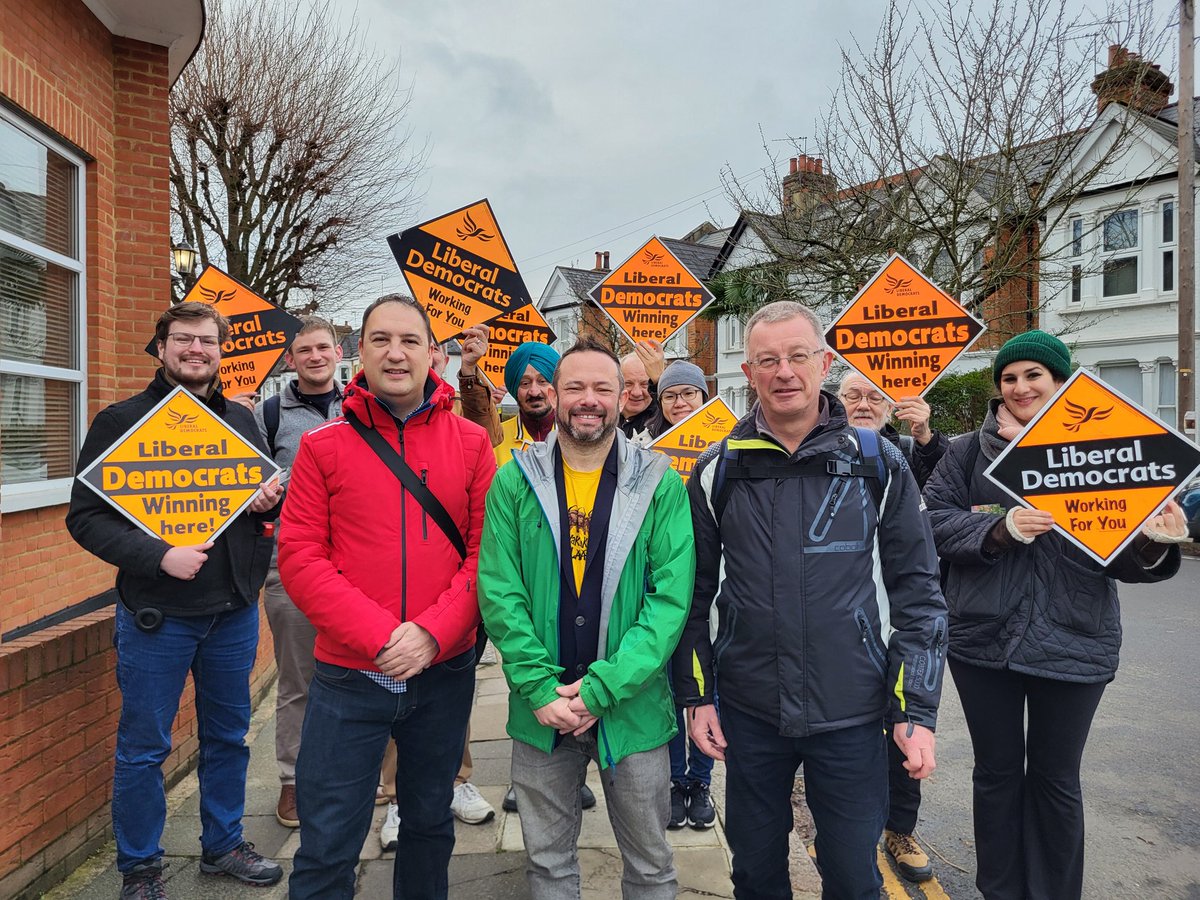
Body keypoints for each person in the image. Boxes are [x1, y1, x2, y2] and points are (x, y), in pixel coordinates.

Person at [673, 300, 947, 900]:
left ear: (824, 362)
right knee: (755, 875)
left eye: (798, 356)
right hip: (750, 712)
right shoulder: (718, 470)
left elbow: (919, 595)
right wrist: (697, 698)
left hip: (851, 713)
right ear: (748, 373)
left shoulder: (878, 463)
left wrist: (915, 711)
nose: (784, 372)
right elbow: (690, 601)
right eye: (768, 360)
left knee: (853, 878)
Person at [924, 330, 1187, 900]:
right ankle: (1000, 890)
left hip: (1074, 640)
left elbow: (1124, 562)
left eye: (1033, 376)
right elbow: (932, 523)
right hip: (982, 641)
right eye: (1009, 378)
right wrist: (998, 529)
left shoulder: (1106, 452)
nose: (1019, 387)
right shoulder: (968, 451)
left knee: (1055, 779)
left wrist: (1154, 542)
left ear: (1061, 382)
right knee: (995, 776)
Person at [279, 295, 496, 899]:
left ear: (434, 353)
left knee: (429, 828)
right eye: (380, 339)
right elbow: (300, 557)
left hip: (443, 670)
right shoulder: (322, 447)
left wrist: (431, 632)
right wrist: (380, 635)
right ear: (361, 352)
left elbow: (487, 557)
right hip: (350, 675)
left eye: (409, 340)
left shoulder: (474, 444)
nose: (395, 353)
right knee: (326, 843)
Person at [66, 301, 284, 899]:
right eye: (184, 339)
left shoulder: (240, 424)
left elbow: (256, 518)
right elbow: (84, 519)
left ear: (221, 351)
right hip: (155, 618)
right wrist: (158, 555)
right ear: (161, 348)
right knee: (144, 749)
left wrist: (267, 508)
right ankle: (139, 870)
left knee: (228, 738)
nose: (196, 349)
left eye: (207, 341)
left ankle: (223, 845)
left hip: (232, 615)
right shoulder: (120, 421)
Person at [478, 337, 696, 900]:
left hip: (634, 708)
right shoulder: (514, 480)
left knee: (650, 865)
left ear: (624, 397)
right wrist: (536, 686)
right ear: (554, 394)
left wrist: (600, 690)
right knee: (548, 865)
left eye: (603, 387)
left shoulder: (660, 483)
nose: (588, 399)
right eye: (574, 386)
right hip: (540, 709)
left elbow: (669, 601)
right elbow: (500, 591)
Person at [835, 369, 948, 882]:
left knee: (904, 731)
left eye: (874, 396)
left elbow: (945, 493)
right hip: (841, 626)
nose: (863, 403)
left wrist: (925, 436)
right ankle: (840, 835)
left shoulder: (904, 450)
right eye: (851, 394)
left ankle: (900, 830)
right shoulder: (822, 451)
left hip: (896, 622)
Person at [253, 316, 345, 831]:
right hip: (290, 565)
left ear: (337, 352)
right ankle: (292, 781)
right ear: (291, 359)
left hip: (355, 567)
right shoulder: (268, 416)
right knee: (298, 681)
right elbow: (249, 489)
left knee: (363, 672)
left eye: (323, 348)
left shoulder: (363, 407)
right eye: (304, 350)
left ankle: (357, 773)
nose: (315, 356)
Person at [629, 360, 718, 829]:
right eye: (671, 395)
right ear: (659, 402)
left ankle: (700, 782)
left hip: (709, 585)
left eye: (689, 393)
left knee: (705, 685)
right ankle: (674, 778)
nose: (680, 403)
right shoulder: (643, 450)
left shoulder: (725, 447)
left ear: (704, 398)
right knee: (664, 684)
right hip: (659, 583)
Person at [494, 342, 560, 465]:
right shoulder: (495, 439)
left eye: (543, 381)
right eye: (525, 383)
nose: (534, 392)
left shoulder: (575, 437)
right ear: (514, 389)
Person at [618, 339, 666, 440]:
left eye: (645, 384)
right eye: (628, 384)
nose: (636, 393)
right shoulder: (604, 417)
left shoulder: (663, 421)